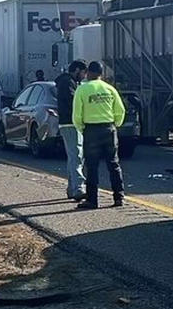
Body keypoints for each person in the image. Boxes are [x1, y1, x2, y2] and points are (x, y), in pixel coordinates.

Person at [72, 61, 126, 209]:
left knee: (92, 166)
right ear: (101, 74)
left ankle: (92, 200)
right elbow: (120, 110)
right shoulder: (109, 89)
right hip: (109, 128)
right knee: (113, 164)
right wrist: (115, 124)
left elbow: (77, 114)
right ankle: (119, 197)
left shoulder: (82, 89)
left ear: (88, 73)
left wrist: (82, 128)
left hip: (91, 130)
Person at [54, 60, 87, 201]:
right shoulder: (67, 83)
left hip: (68, 123)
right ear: (77, 70)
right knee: (77, 155)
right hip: (70, 123)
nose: (84, 76)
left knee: (73, 156)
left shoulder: (67, 82)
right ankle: (78, 187)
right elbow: (73, 102)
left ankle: (72, 188)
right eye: (83, 72)